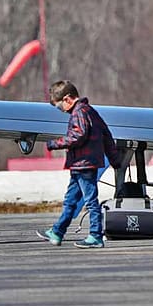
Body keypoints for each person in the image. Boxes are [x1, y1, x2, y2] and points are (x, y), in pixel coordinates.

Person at [38, 80, 122, 249]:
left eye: (59, 106)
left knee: (91, 201)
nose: (60, 110)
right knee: (70, 201)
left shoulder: (79, 113)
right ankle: (57, 232)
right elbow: (107, 135)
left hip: (84, 166)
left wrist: (55, 144)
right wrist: (115, 160)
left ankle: (96, 236)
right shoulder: (91, 112)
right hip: (80, 166)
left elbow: (78, 135)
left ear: (68, 99)